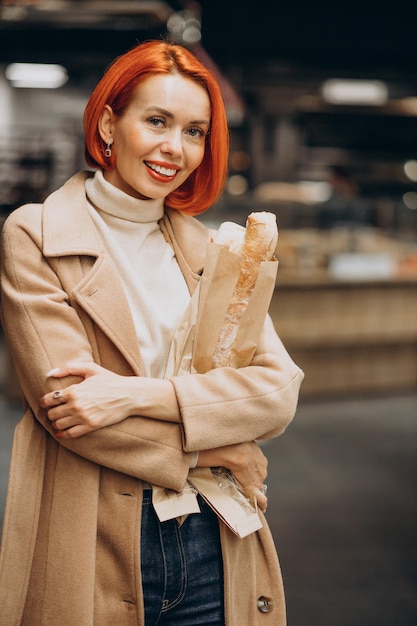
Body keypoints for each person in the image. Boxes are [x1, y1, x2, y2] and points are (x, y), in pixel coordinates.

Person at [0, 40, 304, 626]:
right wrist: (220, 449)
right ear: (110, 124)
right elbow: (69, 414)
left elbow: (276, 392)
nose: (175, 148)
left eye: (194, 131)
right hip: (95, 530)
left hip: (212, 535)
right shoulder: (35, 234)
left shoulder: (214, 250)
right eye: (157, 121)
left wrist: (135, 395)